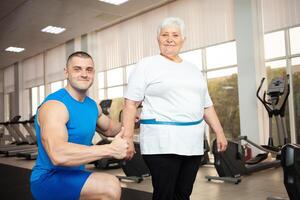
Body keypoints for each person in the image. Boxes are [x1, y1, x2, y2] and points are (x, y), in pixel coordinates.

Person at [122, 17, 228, 200]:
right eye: (165, 35)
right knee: (165, 194)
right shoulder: (147, 65)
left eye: (175, 35)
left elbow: (206, 105)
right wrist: (128, 138)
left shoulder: (193, 69)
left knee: (183, 194)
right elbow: (130, 104)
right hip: (162, 143)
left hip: (192, 144)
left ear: (182, 40)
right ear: (158, 39)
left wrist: (219, 132)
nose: (170, 39)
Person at [30, 51, 128, 200]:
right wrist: (111, 149)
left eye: (88, 70)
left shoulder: (92, 106)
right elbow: (58, 154)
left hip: (76, 175)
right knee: (110, 186)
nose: (84, 74)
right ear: (66, 72)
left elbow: (109, 128)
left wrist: (132, 120)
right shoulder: (55, 106)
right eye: (77, 69)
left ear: (93, 73)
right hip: (48, 178)